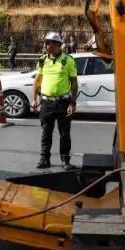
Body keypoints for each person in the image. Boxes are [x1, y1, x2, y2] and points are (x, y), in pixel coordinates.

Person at [32, 32, 78, 169]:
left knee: (64, 133)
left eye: (49, 42)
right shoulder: (42, 60)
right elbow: (37, 80)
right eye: (45, 42)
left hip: (64, 102)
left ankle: (65, 161)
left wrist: (73, 102)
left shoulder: (68, 60)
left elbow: (74, 83)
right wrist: (34, 99)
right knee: (46, 132)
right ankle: (44, 159)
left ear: (58, 44)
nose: (46, 45)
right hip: (46, 103)